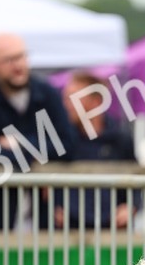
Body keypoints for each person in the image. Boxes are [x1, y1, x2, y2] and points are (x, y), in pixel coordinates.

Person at [0, 33, 75, 228]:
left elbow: (68, 144)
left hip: (44, 213)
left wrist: (18, 143)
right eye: (9, 59)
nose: (18, 65)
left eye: (21, 56)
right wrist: (40, 153)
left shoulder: (46, 92)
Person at [55, 71, 137, 229]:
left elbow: (137, 179)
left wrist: (131, 206)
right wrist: (53, 207)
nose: (66, 105)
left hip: (114, 232)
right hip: (68, 232)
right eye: (65, 98)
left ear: (96, 102)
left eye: (74, 99)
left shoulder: (120, 139)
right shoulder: (60, 141)